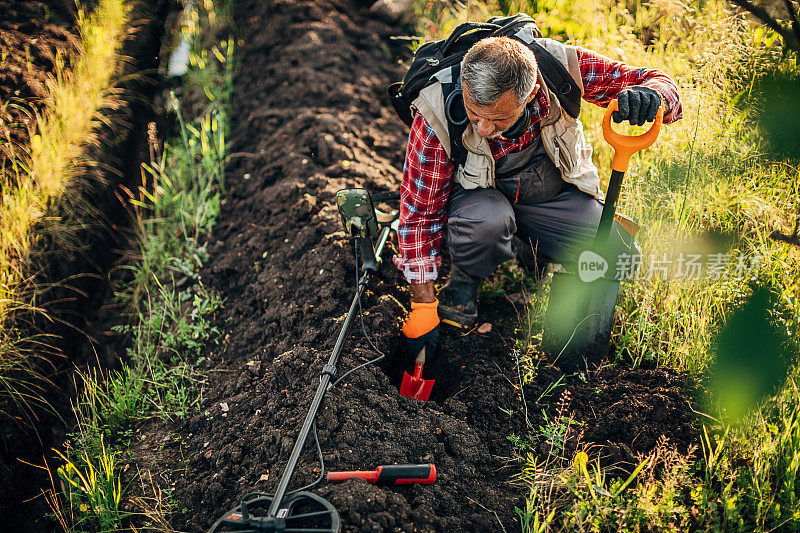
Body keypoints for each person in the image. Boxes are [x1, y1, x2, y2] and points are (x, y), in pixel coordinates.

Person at [394, 34, 683, 364]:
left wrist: (653, 96)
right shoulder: (435, 110)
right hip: (479, 202)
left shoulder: (558, 67)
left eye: (499, 118)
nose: (485, 128)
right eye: (475, 115)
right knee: (486, 223)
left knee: (617, 251)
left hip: (548, 195)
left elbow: (658, 82)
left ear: (529, 93)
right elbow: (419, 217)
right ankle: (467, 276)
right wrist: (423, 306)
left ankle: (537, 259)